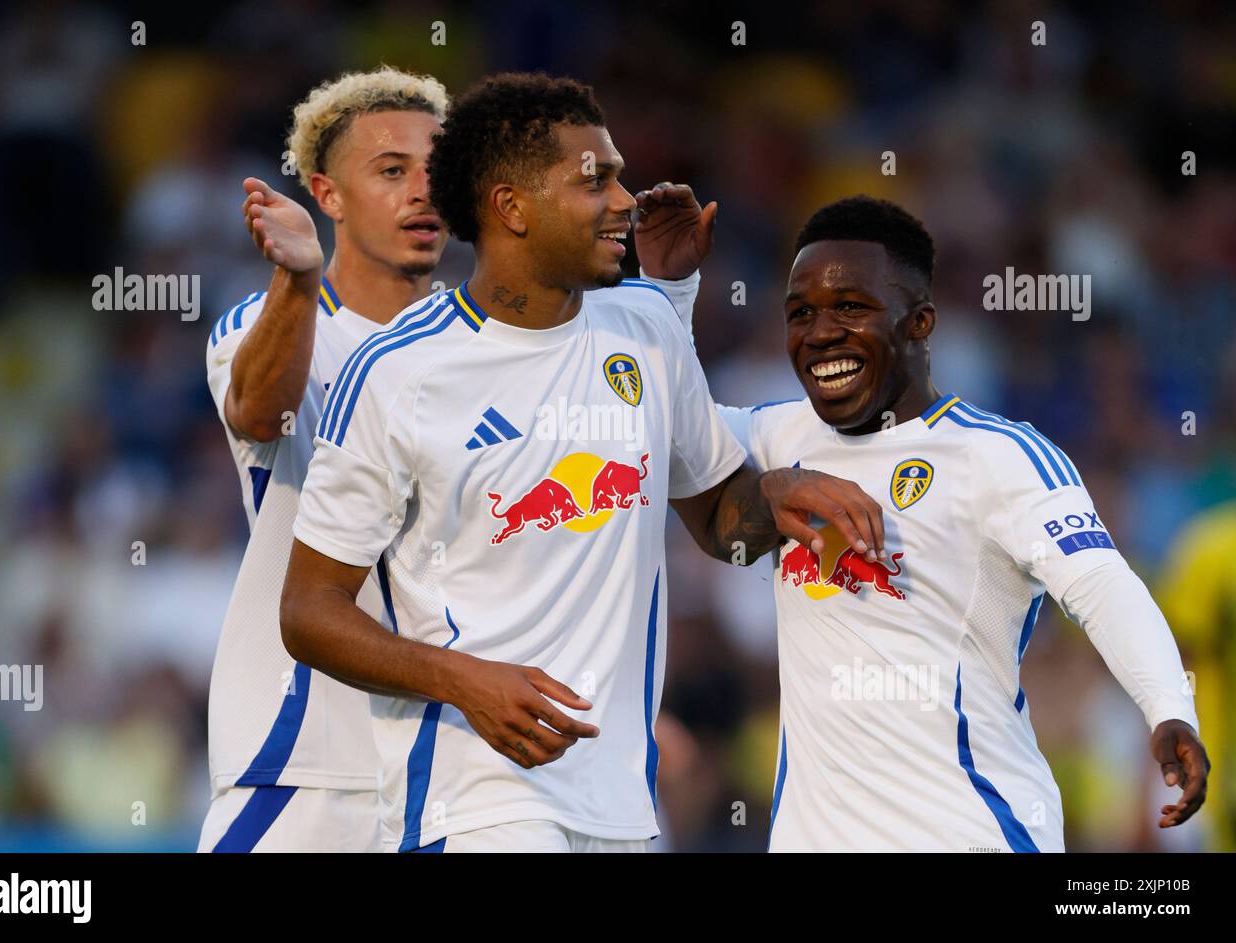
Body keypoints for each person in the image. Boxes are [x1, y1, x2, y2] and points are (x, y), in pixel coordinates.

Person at [279, 73, 886, 853]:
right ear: (511, 207)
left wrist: (781, 494)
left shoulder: (645, 326)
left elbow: (714, 519)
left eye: (619, 174)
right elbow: (308, 610)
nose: (626, 199)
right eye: (594, 179)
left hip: (622, 806)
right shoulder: (401, 371)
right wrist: (461, 679)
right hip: (475, 803)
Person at [715, 195, 1208, 851]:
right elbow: (654, 427)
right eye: (800, 312)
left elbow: (1102, 586)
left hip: (969, 831)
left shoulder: (997, 455)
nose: (820, 330)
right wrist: (670, 288)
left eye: (851, 307)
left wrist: (1168, 706)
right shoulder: (770, 435)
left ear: (919, 323)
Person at [198, 66, 449, 852]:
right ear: (326, 194)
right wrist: (297, 280)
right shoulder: (268, 319)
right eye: (391, 170)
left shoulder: (486, 348)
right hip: (300, 760)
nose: (423, 191)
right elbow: (259, 408)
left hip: (455, 769)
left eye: (437, 170)